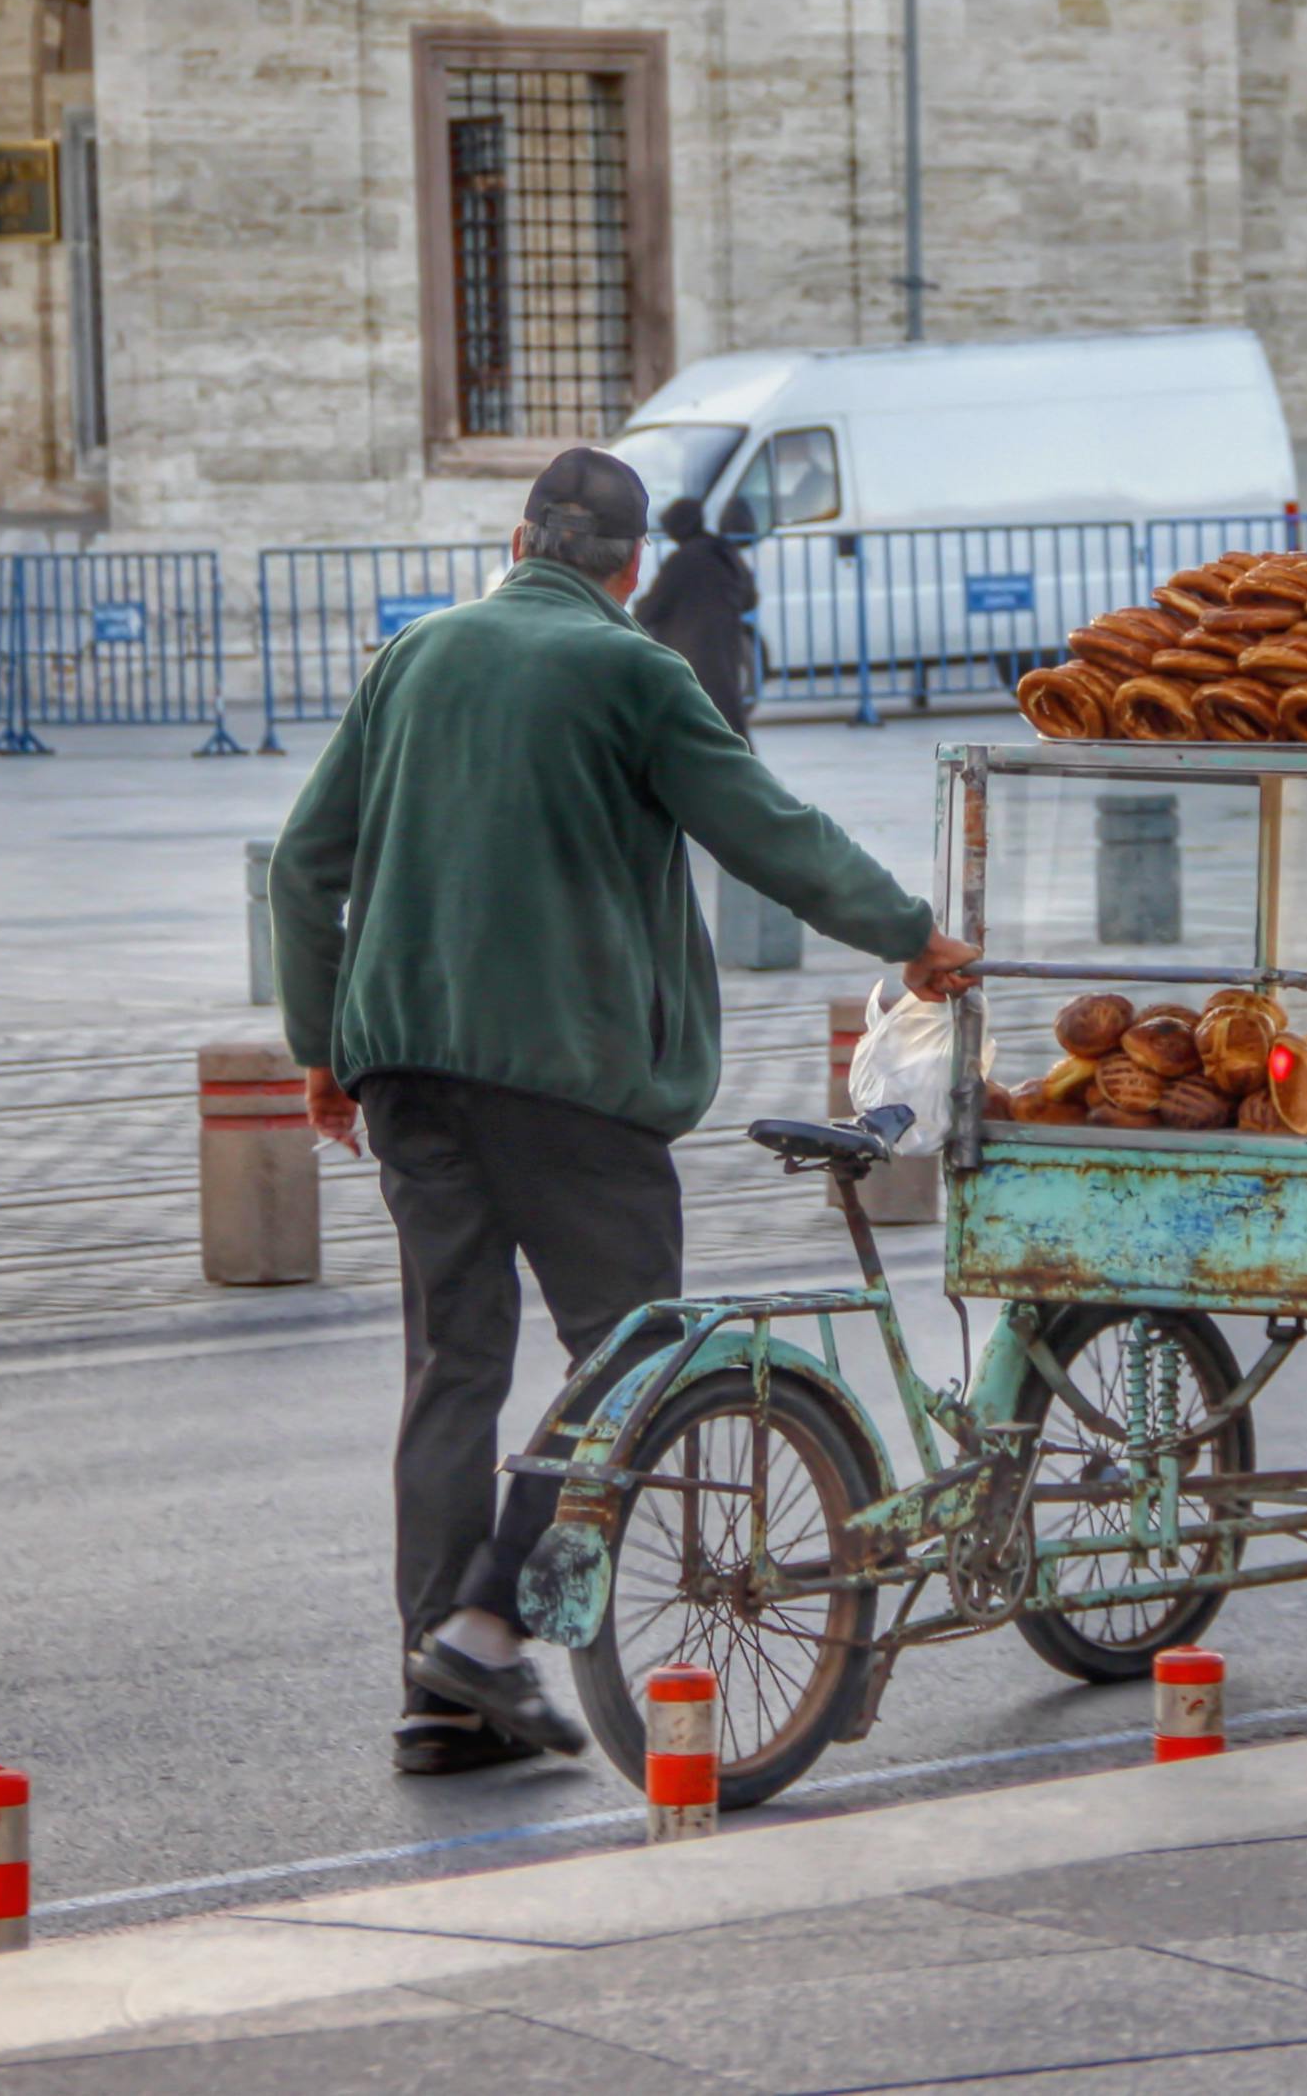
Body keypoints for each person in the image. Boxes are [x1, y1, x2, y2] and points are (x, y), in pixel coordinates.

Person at [270, 447, 976, 1777]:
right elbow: (766, 827)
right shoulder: (634, 671)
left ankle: (440, 1697)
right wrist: (911, 934)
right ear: (632, 566)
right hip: (570, 1082)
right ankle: (484, 1630)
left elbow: (306, 869)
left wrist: (323, 1047)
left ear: (521, 535)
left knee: (453, 1369)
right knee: (632, 1362)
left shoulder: (418, 657)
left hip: (405, 1073)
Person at [631, 490, 759, 734]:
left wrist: (628, 623)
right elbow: (748, 598)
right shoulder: (723, 552)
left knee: (696, 713)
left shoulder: (683, 559)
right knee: (727, 710)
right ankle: (742, 763)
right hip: (725, 642)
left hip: (692, 648)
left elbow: (655, 604)